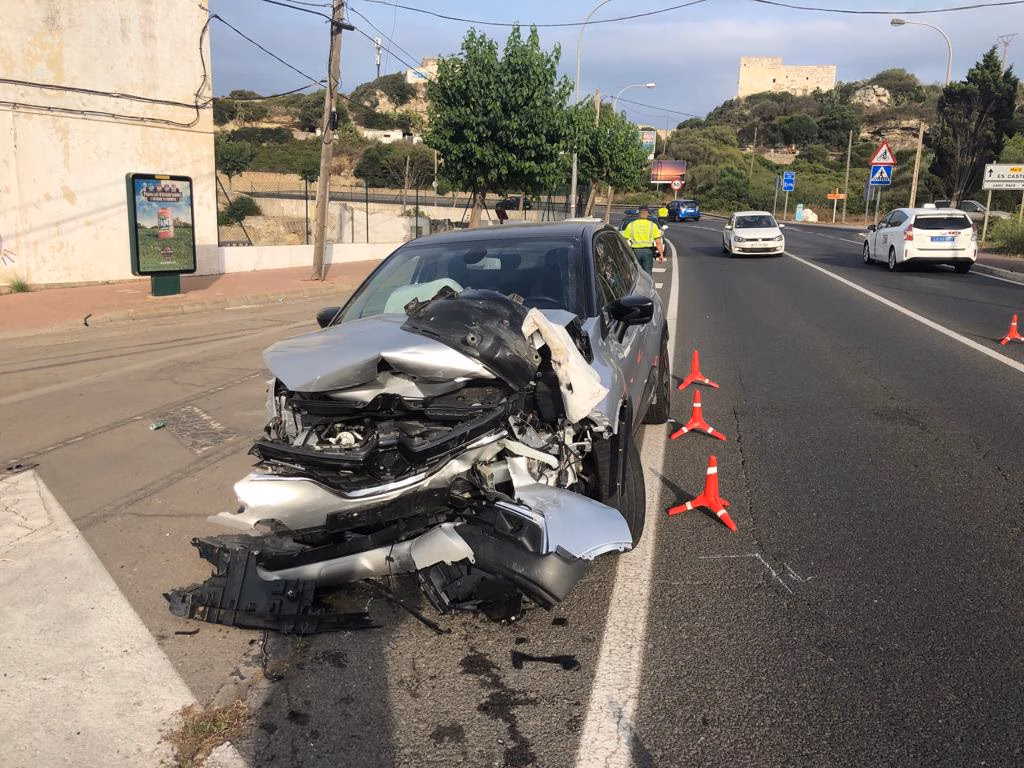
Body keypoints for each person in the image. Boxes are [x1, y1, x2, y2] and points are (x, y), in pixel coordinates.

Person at [621, 204, 664, 274]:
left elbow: (624, 241)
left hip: (635, 252)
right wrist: (661, 254)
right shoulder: (652, 225)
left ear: (639, 213)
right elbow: (658, 242)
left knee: (636, 273)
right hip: (648, 252)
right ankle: (646, 284)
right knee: (647, 273)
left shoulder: (631, 225)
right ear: (647, 213)